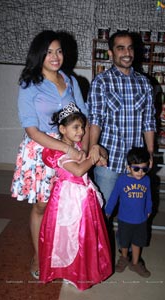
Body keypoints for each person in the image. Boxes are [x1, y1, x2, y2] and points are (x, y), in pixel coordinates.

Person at [10, 30, 104, 280]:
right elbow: (31, 129)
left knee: (66, 206)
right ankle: (39, 255)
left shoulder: (71, 81)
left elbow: (82, 117)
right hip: (41, 151)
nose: (55, 56)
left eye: (59, 51)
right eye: (49, 51)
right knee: (42, 206)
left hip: (71, 148)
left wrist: (82, 148)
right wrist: (67, 149)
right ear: (39, 54)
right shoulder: (29, 84)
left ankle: (64, 254)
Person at [39, 102, 112, 290]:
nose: (80, 132)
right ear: (62, 129)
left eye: (82, 127)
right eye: (76, 127)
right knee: (67, 236)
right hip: (67, 200)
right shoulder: (57, 151)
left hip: (83, 197)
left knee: (83, 235)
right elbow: (79, 170)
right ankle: (67, 270)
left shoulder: (77, 145)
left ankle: (81, 270)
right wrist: (93, 155)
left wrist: (98, 152)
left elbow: (94, 154)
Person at [87, 30, 156, 205]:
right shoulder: (101, 82)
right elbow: (95, 119)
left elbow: (149, 121)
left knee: (133, 209)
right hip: (108, 160)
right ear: (111, 53)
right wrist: (94, 147)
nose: (127, 53)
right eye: (121, 48)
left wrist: (149, 152)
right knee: (104, 210)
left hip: (136, 162)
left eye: (130, 48)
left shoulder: (144, 83)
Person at [105, 147, 152, 278]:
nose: (140, 172)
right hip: (124, 219)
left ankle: (136, 263)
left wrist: (149, 209)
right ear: (128, 167)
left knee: (138, 242)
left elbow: (149, 196)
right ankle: (124, 258)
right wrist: (108, 211)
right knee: (124, 242)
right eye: (136, 168)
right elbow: (114, 196)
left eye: (144, 169)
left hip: (141, 219)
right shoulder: (122, 180)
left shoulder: (146, 180)